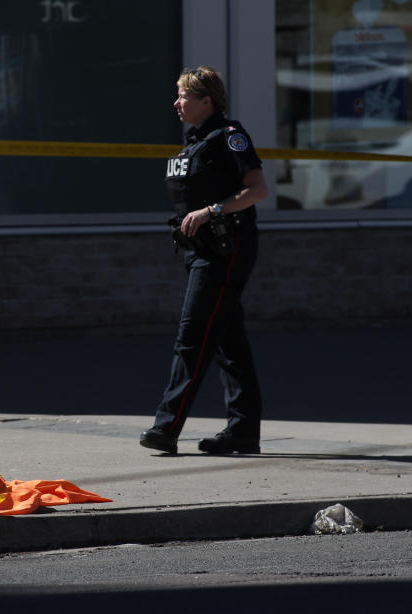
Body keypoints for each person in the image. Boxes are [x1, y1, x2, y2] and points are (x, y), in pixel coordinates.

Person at [139, 66, 268, 455]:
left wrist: (212, 211)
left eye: (184, 96)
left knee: (192, 337)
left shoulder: (229, 138)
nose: (176, 103)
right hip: (201, 253)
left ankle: (167, 427)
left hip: (225, 251)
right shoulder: (193, 145)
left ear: (206, 100)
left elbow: (257, 188)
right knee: (229, 343)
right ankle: (243, 431)